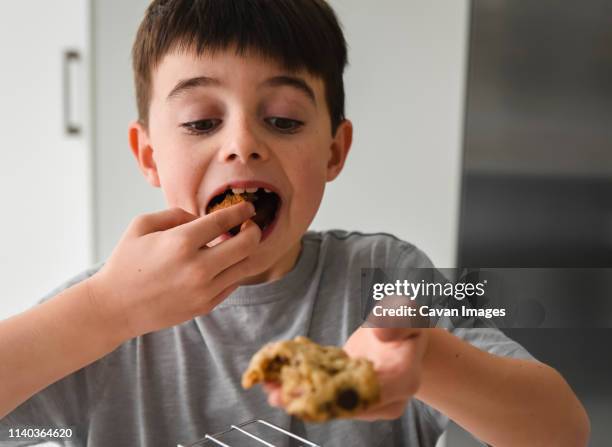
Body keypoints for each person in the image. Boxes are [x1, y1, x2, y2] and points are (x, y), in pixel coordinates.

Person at [0, 1, 589, 446]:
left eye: (282, 120)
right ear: (149, 154)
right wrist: (106, 311)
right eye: (202, 122)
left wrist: (425, 362)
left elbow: (563, 428)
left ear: (335, 151)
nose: (242, 144)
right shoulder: (103, 314)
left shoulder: (388, 278)